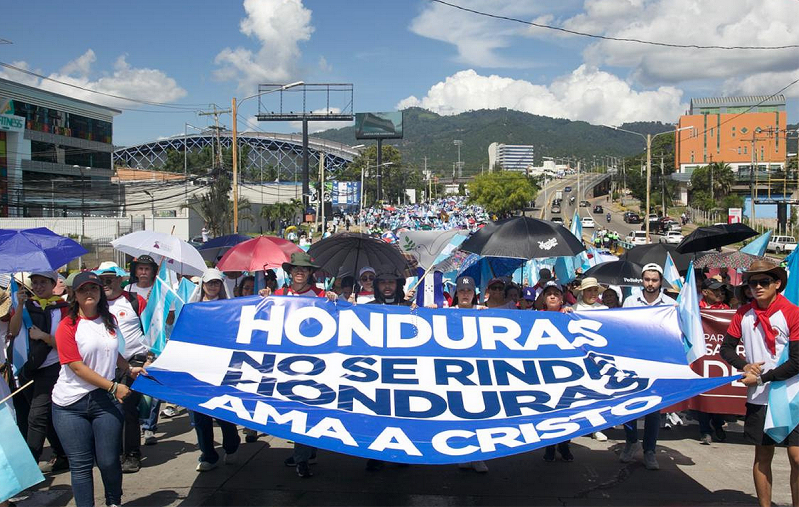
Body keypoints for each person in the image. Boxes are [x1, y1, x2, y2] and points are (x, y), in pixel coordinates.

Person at [51, 272, 146, 507]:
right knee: (81, 465)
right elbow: (76, 367)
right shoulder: (67, 326)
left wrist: (128, 368)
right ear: (75, 295)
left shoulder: (109, 319)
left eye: (94, 288)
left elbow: (112, 350)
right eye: (83, 290)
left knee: (109, 461)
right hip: (70, 405)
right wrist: (114, 386)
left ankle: (113, 501)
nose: (89, 293)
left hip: (105, 401)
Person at [720, 260, 799, 507]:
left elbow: (797, 361)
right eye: (752, 283)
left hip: (791, 394)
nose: (757, 287)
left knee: (797, 458)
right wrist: (744, 365)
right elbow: (726, 349)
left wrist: (762, 377)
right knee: (763, 455)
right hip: (760, 397)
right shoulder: (743, 314)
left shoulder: (792, 313)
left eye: (764, 282)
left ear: (777, 284)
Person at [261, 252, 326, 477]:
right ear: (290, 272)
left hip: (316, 361)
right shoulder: (278, 294)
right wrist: (262, 299)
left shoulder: (322, 295)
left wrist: (339, 301)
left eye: (304, 269)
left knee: (307, 409)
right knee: (296, 410)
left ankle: (303, 456)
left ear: (310, 273)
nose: (299, 272)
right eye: (295, 269)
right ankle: (305, 452)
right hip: (285, 362)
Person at [8, 270, 70, 473]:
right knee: (43, 416)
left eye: (43, 282)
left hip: (52, 368)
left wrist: (43, 336)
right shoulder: (27, 305)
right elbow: (14, 331)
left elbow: (65, 344)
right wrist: (19, 306)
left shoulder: (63, 308)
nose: (38, 286)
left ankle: (27, 470)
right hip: (27, 368)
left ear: (53, 284)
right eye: (34, 282)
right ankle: (62, 454)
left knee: (36, 417)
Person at [620, 263, 677, 470]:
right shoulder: (630, 301)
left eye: (654, 280)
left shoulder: (671, 303)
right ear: (642, 280)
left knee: (654, 408)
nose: (650, 283)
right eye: (647, 279)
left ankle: (650, 450)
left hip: (658, 361)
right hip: (633, 360)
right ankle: (631, 441)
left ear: (660, 281)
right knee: (629, 405)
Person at [97, 265, 151, 472]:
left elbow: (153, 328)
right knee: (111, 409)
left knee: (128, 408)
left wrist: (150, 358)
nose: (106, 284)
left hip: (134, 361)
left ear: (120, 279)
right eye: (102, 280)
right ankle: (116, 452)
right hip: (107, 363)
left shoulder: (135, 301)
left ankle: (132, 454)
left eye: (110, 279)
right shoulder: (95, 306)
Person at [191, 269, 241, 472]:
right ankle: (208, 454)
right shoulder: (193, 307)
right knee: (200, 414)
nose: (212, 287)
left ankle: (231, 443)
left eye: (216, 283)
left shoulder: (229, 308)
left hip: (221, 367)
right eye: (209, 283)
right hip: (196, 367)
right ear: (203, 285)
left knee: (222, 410)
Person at [539, 281, 576, 463]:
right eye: (549, 294)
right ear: (544, 299)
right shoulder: (536, 317)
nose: (553, 296)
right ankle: (549, 446)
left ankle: (564, 444)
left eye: (556, 293)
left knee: (565, 410)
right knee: (548, 409)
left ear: (562, 298)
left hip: (566, 370)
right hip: (544, 370)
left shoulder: (569, 315)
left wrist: (572, 315)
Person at [570, 277, 608, 441]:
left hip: (598, 355)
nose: (592, 293)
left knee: (598, 390)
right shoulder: (574, 308)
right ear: (583, 292)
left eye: (595, 290)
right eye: (589, 290)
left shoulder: (604, 309)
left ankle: (597, 427)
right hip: (579, 354)